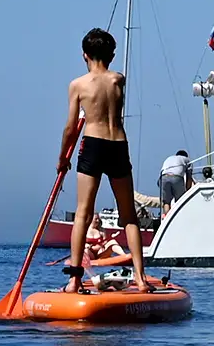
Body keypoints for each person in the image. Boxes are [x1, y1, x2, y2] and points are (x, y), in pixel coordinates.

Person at [59, 28, 148, 293]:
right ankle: (140, 278)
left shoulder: (78, 85)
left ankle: (74, 280)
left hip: (93, 145)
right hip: (118, 144)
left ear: (84, 55)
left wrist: (62, 158)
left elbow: (70, 128)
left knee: (83, 213)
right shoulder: (118, 80)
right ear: (111, 55)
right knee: (128, 215)